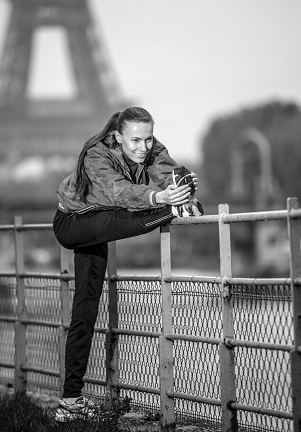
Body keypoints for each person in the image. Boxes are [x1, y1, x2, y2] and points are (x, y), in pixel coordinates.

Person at [53, 106, 198, 422]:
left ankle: (69, 403)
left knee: (85, 312)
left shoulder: (150, 148)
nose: (142, 148)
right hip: (74, 223)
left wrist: (175, 187)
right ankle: (175, 212)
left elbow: (163, 173)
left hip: (101, 223)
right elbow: (118, 192)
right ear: (117, 137)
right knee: (129, 213)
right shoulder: (96, 155)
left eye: (147, 140)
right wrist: (163, 200)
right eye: (135, 140)